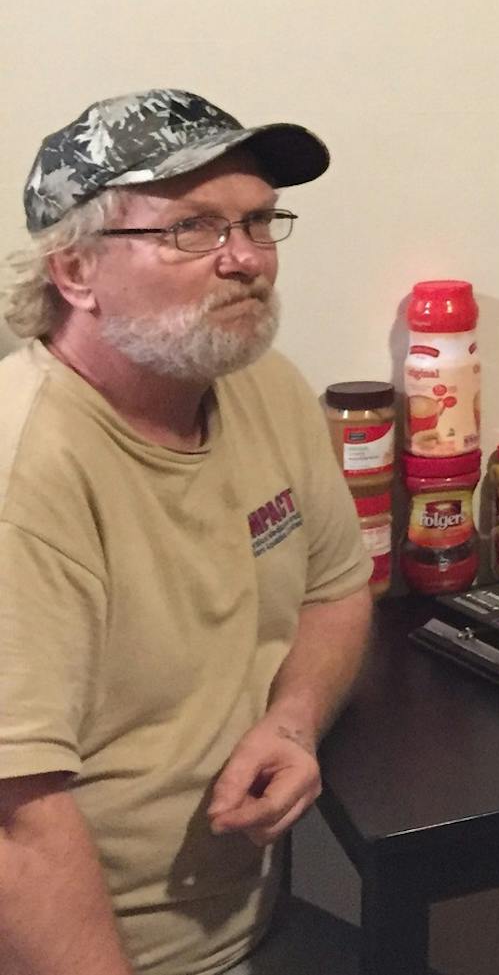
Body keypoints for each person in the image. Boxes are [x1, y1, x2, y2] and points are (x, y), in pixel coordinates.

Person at [0, 91, 373, 975]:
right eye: (192, 229)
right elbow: (16, 828)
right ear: (75, 271)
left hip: (256, 923)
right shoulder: (26, 474)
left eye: (255, 221)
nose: (245, 259)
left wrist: (293, 719)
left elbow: (335, 589)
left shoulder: (263, 384)